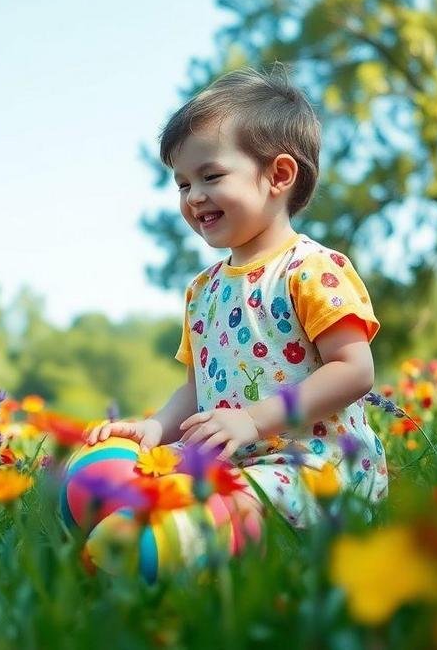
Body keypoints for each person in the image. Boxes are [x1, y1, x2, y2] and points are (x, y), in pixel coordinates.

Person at [83, 65, 387, 530]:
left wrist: (254, 419)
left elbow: (354, 370)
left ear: (279, 175)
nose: (194, 197)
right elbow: (193, 391)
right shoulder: (203, 291)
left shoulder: (311, 270)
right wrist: (153, 430)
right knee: (122, 474)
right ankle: (122, 538)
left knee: (227, 507)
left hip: (311, 465)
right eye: (183, 184)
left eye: (211, 175)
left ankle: (186, 551)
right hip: (227, 461)